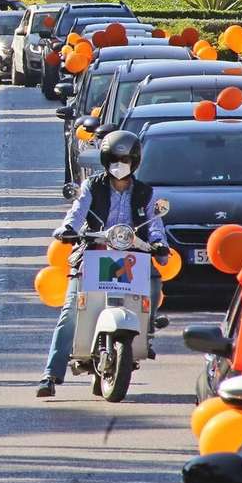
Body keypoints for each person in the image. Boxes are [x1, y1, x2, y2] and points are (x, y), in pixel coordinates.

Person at [38, 130, 169, 398]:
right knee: (71, 312)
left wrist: (159, 243)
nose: (120, 164)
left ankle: (148, 328)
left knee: (155, 281)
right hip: (94, 253)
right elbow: (77, 212)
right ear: (105, 159)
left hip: (133, 257)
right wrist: (68, 229)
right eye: (115, 158)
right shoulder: (91, 186)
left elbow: (155, 225)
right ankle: (50, 374)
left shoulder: (147, 193)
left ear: (135, 161)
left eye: (126, 158)